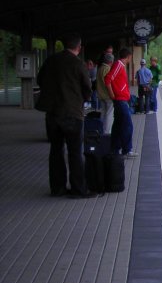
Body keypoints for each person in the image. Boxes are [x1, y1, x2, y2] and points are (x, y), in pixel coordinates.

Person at [36, 33, 95, 198]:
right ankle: (78, 189)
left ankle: (58, 188)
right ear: (79, 47)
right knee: (75, 152)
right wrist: (81, 98)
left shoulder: (51, 61)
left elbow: (40, 79)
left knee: (55, 151)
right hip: (72, 113)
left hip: (52, 114)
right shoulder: (78, 64)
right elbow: (87, 88)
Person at [105, 47, 137, 157]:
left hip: (121, 100)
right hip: (120, 100)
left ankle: (114, 149)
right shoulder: (119, 65)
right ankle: (127, 150)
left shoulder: (120, 66)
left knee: (118, 125)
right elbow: (108, 79)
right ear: (128, 57)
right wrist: (112, 95)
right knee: (127, 125)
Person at [96, 52, 115, 134]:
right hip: (107, 95)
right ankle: (107, 131)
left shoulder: (100, 68)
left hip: (100, 95)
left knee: (103, 113)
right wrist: (113, 94)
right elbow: (108, 83)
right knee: (109, 114)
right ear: (111, 61)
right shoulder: (107, 69)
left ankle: (101, 129)